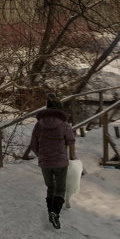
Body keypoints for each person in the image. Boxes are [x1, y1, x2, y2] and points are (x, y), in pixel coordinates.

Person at [26, 95, 76, 229]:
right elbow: (71, 141)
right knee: (60, 189)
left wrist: (42, 155)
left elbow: (33, 144)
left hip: (45, 162)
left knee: (51, 187)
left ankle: (50, 212)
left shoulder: (38, 124)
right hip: (60, 162)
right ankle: (55, 212)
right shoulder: (64, 125)